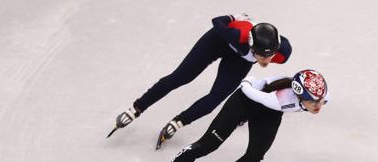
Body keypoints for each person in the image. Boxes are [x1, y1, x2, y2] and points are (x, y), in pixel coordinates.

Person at [134, 69, 329, 162]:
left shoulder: (318, 96)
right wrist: (246, 82)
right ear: (298, 95)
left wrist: (259, 82)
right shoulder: (282, 100)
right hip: (244, 102)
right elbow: (253, 93)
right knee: (207, 145)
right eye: (314, 102)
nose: (319, 106)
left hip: (267, 114)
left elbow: (272, 81)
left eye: (321, 100)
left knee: (254, 157)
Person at [107, 14, 292, 149]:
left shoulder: (282, 52)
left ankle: (179, 121)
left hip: (239, 59)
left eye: (270, 55)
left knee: (214, 100)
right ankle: (137, 108)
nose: (266, 61)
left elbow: (274, 49)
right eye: (261, 55)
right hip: (217, 42)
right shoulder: (236, 36)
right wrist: (232, 16)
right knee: (180, 77)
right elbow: (217, 21)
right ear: (251, 45)